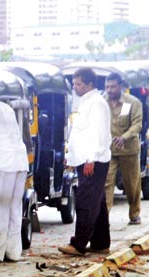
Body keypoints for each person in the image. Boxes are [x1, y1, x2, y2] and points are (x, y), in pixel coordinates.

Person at [59, 68, 112, 256]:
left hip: (93, 160)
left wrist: (90, 158)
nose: (75, 87)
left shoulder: (96, 103)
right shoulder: (86, 102)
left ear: (89, 84)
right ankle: (100, 242)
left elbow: (98, 133)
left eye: (78, 83)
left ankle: (78, 243)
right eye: (74, 83)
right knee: (97, 202)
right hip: (88, 159)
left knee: (86, 202)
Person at [0, 100, 29, 262]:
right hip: (20, 161)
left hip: (5, 162)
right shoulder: (6, 107)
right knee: (15, 209)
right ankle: (13, 252)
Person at [102, 72, 144, 225]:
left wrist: (124, 137)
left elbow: (137, 125)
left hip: (129, 150)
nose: (110, 90)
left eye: (113, 87)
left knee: (131, 185)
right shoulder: (102, 102)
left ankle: (134, 213)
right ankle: (103, 218)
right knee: (107, 182)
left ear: (120, 86)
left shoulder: (133, 102)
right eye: (107, 87)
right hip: (109, 150)